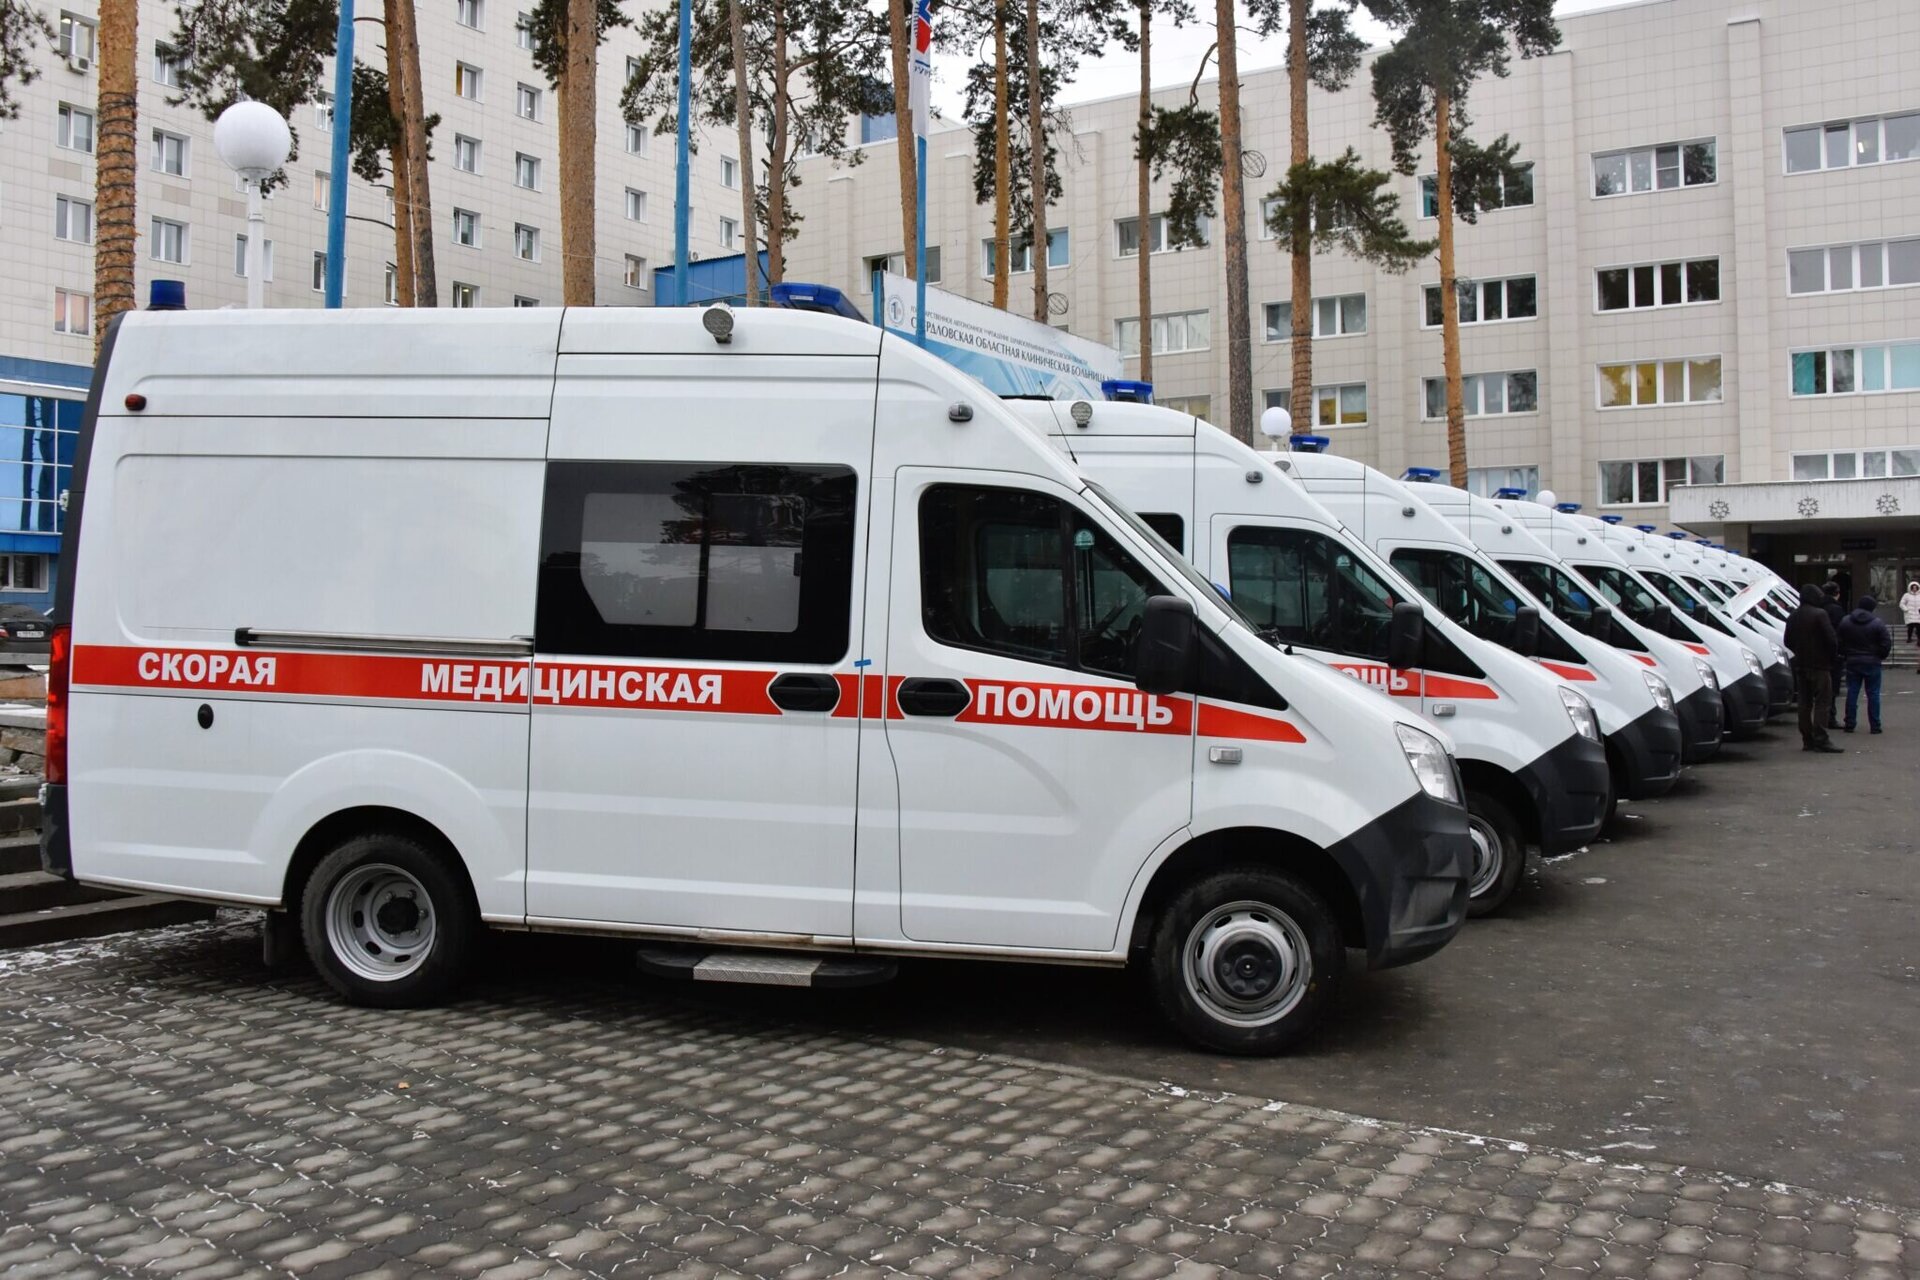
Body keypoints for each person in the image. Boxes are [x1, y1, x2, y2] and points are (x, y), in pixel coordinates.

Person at [1783, 584, 1843, 752]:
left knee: (1804, 703)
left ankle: (1807, 739)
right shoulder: (1820, 614)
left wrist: (1799, 651)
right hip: (1820, 665)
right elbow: (1831, 640)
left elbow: (1787, 640)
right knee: (1823, 701)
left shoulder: (1793, 616)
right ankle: (1821, 738)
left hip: (1801, 664)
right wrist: (1831, 657)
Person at [1836, 594, 1892, 734]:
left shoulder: (1846, 621)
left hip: (1853, 660)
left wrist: (1845, 653)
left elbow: (1839, 641)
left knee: (1852, 692)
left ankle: (1850, 723)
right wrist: (1880, 655)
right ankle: (1875, 725)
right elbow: (1886, 642)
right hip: (1872, 661)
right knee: (1873, 693)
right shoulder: (1877, 623)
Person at [1821, 582, 1847, 728]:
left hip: (1817, 654)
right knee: (1831, 688)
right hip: (1833, 655)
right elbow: (1841, 632)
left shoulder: (1817, 607)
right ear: (1837, 594)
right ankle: (1829, 718)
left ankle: (1820, 719)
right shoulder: (1836, 610)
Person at [1900, 580, 1920, 647]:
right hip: (1910, 614)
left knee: (1919, 628)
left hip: (1918, 615)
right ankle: (1909, 638)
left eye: (1916, 587)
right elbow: (1901, 604)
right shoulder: (1906, 595)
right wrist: (1906, 610)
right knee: (1910, 628)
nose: (1914, 589)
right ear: (1910, 588)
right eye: (1913, 587)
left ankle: (1919, 641)